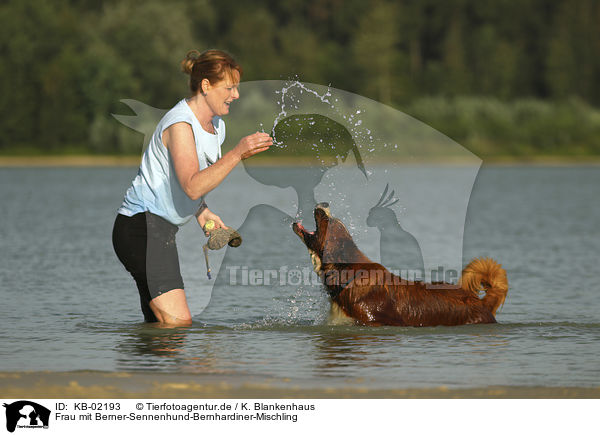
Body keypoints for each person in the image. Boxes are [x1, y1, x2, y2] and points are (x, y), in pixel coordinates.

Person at [112, 49, 273, 326]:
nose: (235, 95)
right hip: (141, 229)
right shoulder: (180, 125)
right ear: (206, 86)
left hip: (159, 230)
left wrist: (202, 212)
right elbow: (190, 185)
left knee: (159, 329)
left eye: (237, 88)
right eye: (230, 88)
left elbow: (187, 181)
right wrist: (237, 154)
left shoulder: (216, 126)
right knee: (178, 324)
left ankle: (139, 368)